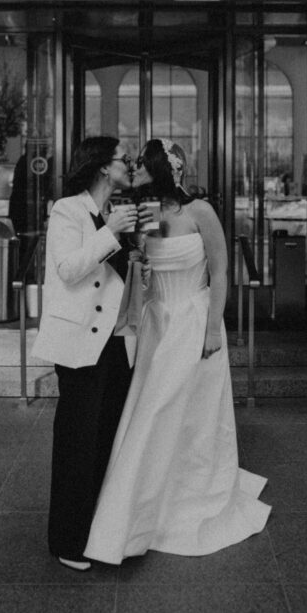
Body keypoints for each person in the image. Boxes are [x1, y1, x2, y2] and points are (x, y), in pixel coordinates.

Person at [84, 138, 271, 564]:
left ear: (163, 169)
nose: (135, 171)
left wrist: (212, 329)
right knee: (153, 409)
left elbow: (221, 271)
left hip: (193, 319)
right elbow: (140, 274)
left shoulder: (200, 212)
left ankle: (184, 499)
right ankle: (142, 504)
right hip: (156, 323)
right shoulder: (144, 215)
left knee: (187, 413)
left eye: (143, 167)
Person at [32, 136, 148, 572]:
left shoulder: (113, 214)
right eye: (124, 159)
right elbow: (68, 269)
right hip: (81, 343)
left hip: (117, 343)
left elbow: (117, 282)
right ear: (102, 167)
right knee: (76, 442)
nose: (130, 165)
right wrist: (111, 232)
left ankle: (97, 532)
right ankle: (67, 540)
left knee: (104, 440)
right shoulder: (68, 210)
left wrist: (138, 260)